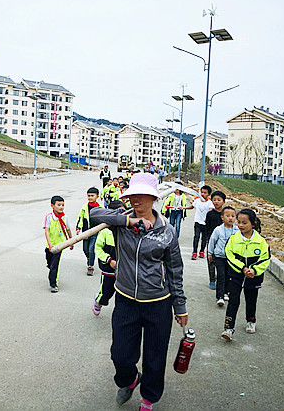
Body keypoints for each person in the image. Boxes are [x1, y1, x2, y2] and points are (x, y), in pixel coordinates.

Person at [90, 173, 188, 411]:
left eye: (142, 195)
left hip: (158, 302)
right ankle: (130, 380)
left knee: (155, 357)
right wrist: (128, 223)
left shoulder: (166, 231)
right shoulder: (120, 221)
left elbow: (175, 270)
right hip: (126, 300)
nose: (136, 199)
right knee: (120, 355)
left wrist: (180, 307)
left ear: (153, 198)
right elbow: (94, 214)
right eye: (133, 194)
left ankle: (148, 398)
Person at [221, 209, 270, 340]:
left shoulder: (261, 242)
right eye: (239, 222)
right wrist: (242, 268)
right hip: (236, 276)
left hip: (254, 278)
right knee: (233, 301)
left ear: (253, 224)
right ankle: (228, 328)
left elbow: (265, 259)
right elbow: (229, 255)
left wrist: (254, 270)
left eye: (244, 223)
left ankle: (251, 321)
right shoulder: (233, 240)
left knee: (251, 300)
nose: (241, 225)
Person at [92, 199, 126, 317]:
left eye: (123, 212)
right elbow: (98, 248)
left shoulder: (128, 230)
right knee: (106, 292)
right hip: (109, 269)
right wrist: (109, 260)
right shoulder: (105, 231)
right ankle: (99, 301)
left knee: (123, 294)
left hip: (124, 270)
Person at [207, 206, 238, 306]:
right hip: (219, 256)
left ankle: (225, 292)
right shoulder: (218, 230)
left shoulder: (237, 231)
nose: (230, 218)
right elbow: (212, 241)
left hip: (231, 258)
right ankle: (219, 296)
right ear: (222, 217)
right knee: (221, 275)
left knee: (229, 275)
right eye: (227, 216)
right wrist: (210, 253)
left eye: (233, 216)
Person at [44, 195, 73, 292]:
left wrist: (71, 241)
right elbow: (47, 231)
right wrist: (49, 243)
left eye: (63, 205)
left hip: (60, 246)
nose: (61, 207)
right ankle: (51, 268)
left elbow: (68, 229)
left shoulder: (65, 217)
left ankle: (53, 284)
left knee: (54, 265)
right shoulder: (49, 217)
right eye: (59, 205)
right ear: (52, 206)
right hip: (50, 246)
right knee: (49, 262)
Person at [204, 190, 227, 289]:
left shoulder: (226, 215)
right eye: (214, 200)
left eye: (219, 200)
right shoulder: (210, 214)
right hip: (212, 239)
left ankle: (222, 279)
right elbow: (207, 228)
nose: (216, 202)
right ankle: (212, 279)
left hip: (224, 240)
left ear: (223, 201)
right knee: (211, 260)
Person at [76, 187, 100, 276]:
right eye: (88, 196)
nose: (90, 197)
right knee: (85, 249)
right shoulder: (84, 207)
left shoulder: (100, 208)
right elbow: (80, 218)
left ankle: (91, 266)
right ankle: (89, 258)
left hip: (95, 232)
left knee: (91, 249)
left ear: (97, 196)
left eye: (92, 195)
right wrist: (78, 228)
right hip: (85, 232)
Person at [185, 185, 213, 260]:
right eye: (202, 192)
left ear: (209, 194)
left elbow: (211, 211)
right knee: (196, 237)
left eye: (205, 193)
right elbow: (192, 206)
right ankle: (194, 252)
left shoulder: (210, 203)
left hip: (205, 224)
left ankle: (202, 251)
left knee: (204, 238)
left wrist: (207, 218)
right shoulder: (197, 201)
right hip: (197, 222)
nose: (203, 194)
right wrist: (184, 208)